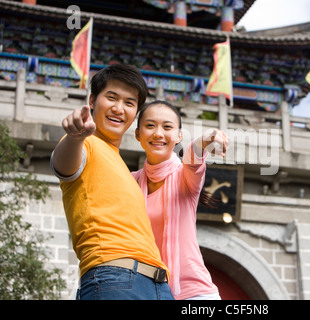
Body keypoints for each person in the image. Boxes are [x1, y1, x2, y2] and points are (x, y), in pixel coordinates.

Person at [50, 64, 173, 300]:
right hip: (114, 277)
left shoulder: (123, 168)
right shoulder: (85, 143)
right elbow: (63, 166)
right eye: (112, 98)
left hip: (158, 286)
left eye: (129, 103)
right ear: (93, 100)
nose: (119, 108)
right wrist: (75, 137)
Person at [132, 100, 229, 300]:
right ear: (137, 134)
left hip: (195, 293)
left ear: (179, 136)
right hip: (148, 292)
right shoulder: (130, 181)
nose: (158, 133)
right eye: (150, 125)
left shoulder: (184, 177)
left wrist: (204, 141)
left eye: (167, 127)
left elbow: (192, 160)